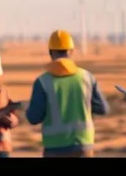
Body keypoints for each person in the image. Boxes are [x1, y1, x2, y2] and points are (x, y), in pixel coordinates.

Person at [24, 29, 110, 157]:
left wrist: (26, 108)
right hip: (83, 145)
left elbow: (34, 117)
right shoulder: (87, 77)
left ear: (50, 52)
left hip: (54, 148)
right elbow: (103, 109)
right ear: (71, 51)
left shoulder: (42, 82)